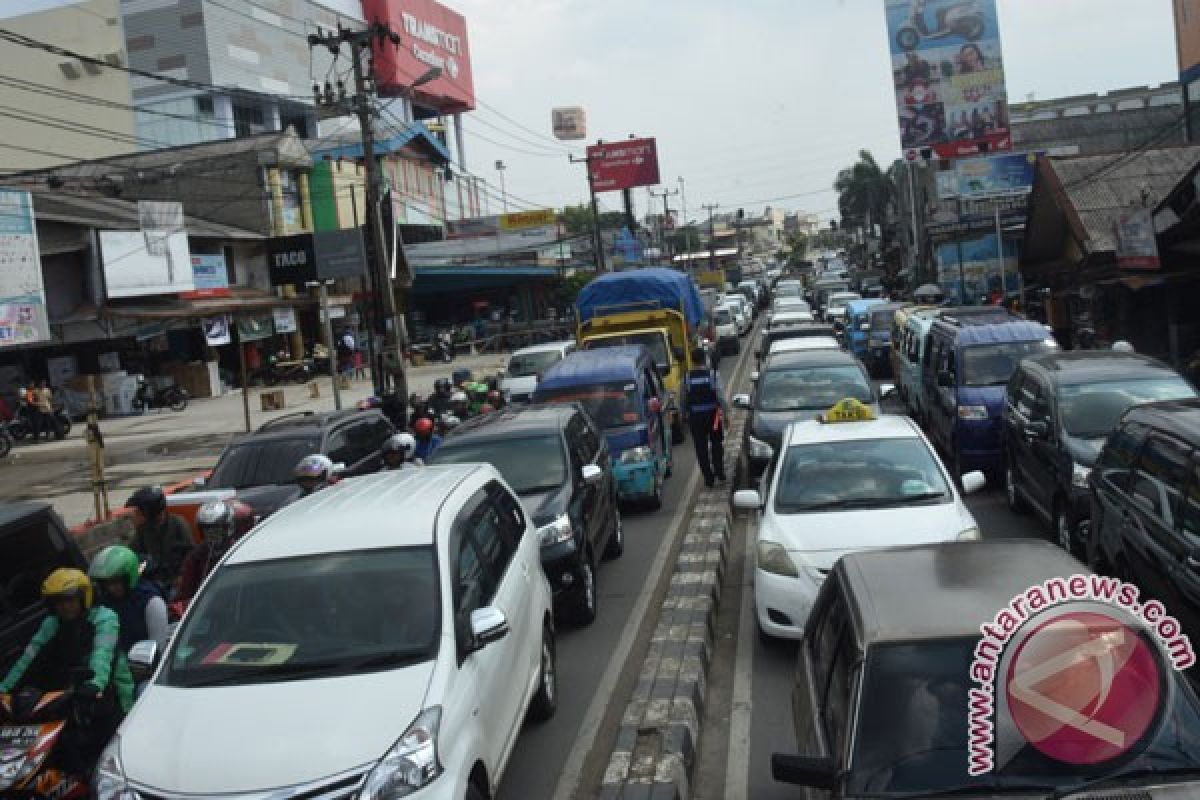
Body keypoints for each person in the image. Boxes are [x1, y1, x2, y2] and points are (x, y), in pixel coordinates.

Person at [0, 569, 134, 775]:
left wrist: (95, 683)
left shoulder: (105, 618)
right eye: (58, 602)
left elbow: (102, 654)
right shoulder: (51, 623)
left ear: (84, 597)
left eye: (70, 600)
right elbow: (28, 657)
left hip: (109, 690)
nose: (64, 607)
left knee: (109, 746)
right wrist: (4, 688)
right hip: (68, 693)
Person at [89, 545, 169, 654]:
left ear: (129, 578)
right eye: (106, 583)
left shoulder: (151, 602)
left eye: (116, 581)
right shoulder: (104, 604)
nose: (111, 588)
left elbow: (158, 650)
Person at [178, 500, 251, 608]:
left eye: (216, 530)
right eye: (207, 531)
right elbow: (185, 591)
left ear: (228, 528)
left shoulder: (240, 552)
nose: (211, 535)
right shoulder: (196, 557)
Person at [127, 485, 193, 593]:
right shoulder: (143, 529)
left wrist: (181, 575)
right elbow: (132, 554)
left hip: (175, 582)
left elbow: (191, 553)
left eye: (140, 510)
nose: (136, 513)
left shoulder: (178, 524)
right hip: (153, 581)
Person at [683, 364, 730, 488]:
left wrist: (684, 415)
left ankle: (708, 478)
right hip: (713, 417)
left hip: (696, 419)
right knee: (716, 443)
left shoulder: (686, 378)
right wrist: (726, 414)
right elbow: (721, 396)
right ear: (704, 360)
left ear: (693, 361)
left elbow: (682, 399)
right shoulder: (713, 375)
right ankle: (719, 472)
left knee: (701, 448)